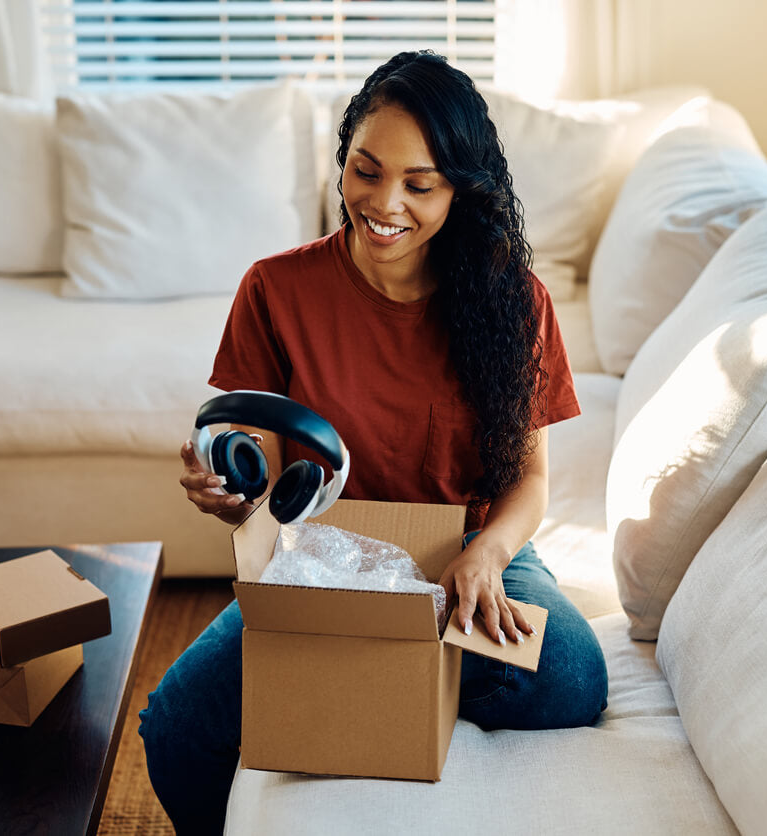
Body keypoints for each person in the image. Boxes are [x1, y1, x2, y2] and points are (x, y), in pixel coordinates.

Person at [139, 50, 609, 834]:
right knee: (177, 731)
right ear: (344, 164)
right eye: (366, 170)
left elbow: (530, 483)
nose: (384, 202)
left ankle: (385, 684)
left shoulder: (514, 301)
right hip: (325, 559)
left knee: (572, 673)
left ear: (461, 187)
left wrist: (488, 554)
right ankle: (394, 675)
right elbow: (257, 468)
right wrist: (234, 501)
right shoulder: (275, 289)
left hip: (468, 551)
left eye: (420, 185)